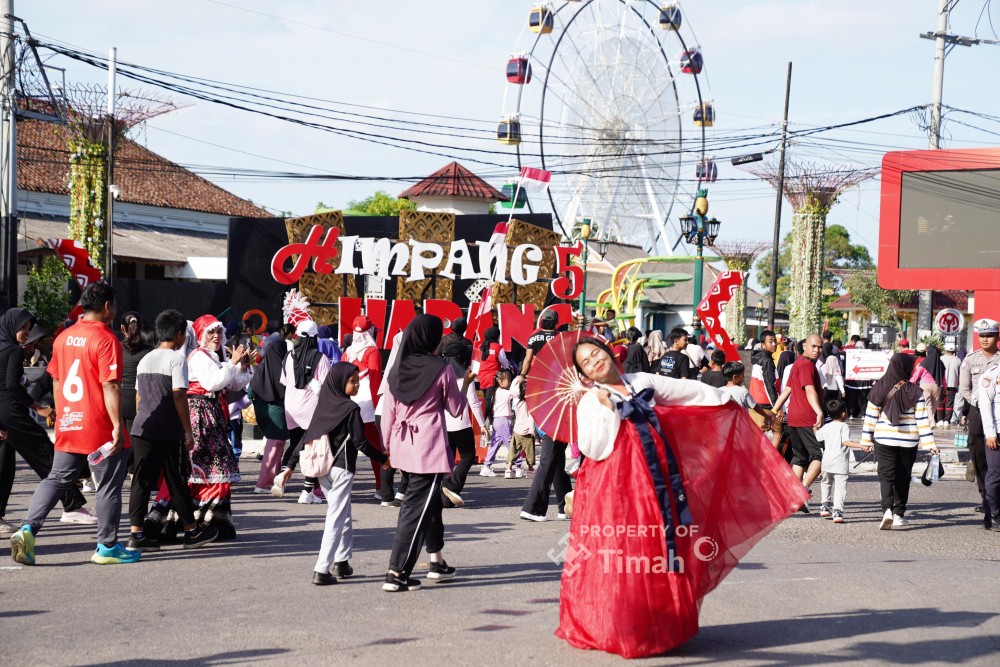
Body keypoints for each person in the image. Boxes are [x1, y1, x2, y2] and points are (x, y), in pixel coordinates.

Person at [557, 337, 808, 658]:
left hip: (658, 479)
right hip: (616, 489)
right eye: (587, 362)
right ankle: (622, 625)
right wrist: (610, 411)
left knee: (662, 546)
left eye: (596, 354)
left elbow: (687, 390)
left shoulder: (640, 381)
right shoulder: (591, 401)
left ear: (608, 353)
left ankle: (658, 623)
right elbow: (592, 447)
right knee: (626, 551)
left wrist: (726, 397)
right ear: (585, 374)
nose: (594, 362)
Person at [10, 283, 140, 565]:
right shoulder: (106, 339)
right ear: (107, 306)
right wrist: (118, 426)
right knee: (107, 486)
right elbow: (111, 386)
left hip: (70, 420)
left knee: (57, 478)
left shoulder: (63, 338)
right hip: (99, 425)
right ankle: (106, 547)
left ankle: (27, 528)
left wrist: (61, 415)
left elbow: (56, 380)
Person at [380, 315, 472, 592]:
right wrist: (465, 383)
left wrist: (385, 448)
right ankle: (397, 572)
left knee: (427, 504)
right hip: (428, 447)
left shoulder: (396, 369)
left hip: (401, 443)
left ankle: (436, 560)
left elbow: (388, 412)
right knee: (415, 509)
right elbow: (455, 409)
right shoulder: (441, 368)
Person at [127, 309, 219, 551]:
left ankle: (136, 535)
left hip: (143, 426)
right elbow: (179, 396)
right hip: (167, 429)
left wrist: (142, 419)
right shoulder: (177, 360)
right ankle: (191, 530)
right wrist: (188, 433)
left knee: (141, 480)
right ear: (179, 335)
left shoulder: (146, 358)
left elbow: (138, 396)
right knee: (176, 479)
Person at [0, 308, 93, 536]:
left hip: (3, 414)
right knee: (44, 452)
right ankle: (72, 505)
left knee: (4, 466)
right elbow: (12, 385)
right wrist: (38, 408)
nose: (26, 332)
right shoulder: (12, 350)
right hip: (12, 412)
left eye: (28, 328)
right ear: (12, 327)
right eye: (23, 328)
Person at [304, 362, 389, 585]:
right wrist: (383, 459)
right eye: (353, 381)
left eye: (357, 380)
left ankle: (342, 560)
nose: (357, 385)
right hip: (342, 469)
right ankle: (322, 569)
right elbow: (361, 442)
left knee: (343, 511)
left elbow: (307, 436)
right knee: (335, 516)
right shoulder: (351, 409)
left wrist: (290, 466)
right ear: (341, 382)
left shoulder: (324, 406)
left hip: (324, 470)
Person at [186, 315, 254, 540]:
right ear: (201, 336)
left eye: (218, 332)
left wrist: (242, 367)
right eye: (211, 333)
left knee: (217, 469)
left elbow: (231, 383)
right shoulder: (198, 357)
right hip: (201, 415)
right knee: (209, 468)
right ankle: (201, 521)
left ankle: (212, 522)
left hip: (214, 414)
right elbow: (213, 382)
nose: (216, 337)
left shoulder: (216, 356)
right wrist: (231, 363)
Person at [861, 353, 938, 530]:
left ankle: (886, 510)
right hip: (908, 440)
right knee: (903, 477)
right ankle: (899, 514)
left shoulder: (879, 387)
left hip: (883, 438)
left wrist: (866, 439)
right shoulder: (915, 391)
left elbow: (870, 417)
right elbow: (922, 420)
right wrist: (930, 445)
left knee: (886, 475)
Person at [272, 320, 330, 503]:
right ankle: (307, 491)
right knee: (311, 448)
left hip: (291, 407)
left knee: (296, 443)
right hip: (311, 409)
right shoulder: (320, 358)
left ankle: (281, 477)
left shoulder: (289, 356)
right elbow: (327, 387)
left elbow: (284, 380)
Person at [773, 334, 825, 511]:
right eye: (813, 346)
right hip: (806, 418)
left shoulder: (798, 363)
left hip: (794, 417)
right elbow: (809, 389)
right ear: (804, 346)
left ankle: (793, 497)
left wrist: (775, 410)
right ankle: (801, 492)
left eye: (820, 347)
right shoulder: (805, 365)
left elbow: (787, 389)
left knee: (799, 457)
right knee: (819, 455)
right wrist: (819, 412)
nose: (817, 350)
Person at [440, 326, 485, 508]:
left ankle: (445, 496)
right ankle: (453, 486)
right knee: (467, 455)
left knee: (448, 459)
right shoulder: (465, 376)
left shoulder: (440, 374)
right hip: (460, 423)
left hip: (443, 423)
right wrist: (482, 425)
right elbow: (473, 403)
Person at [959, 318, 999, 524]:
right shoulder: (970, 359)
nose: (985, 340)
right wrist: (977, 400)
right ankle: (987, 500)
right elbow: (964, 388)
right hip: (976, 412)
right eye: (981, 336)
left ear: (997, 337)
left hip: (998, 412)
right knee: (979, 458)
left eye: (989, 335)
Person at [341, 315, 385, 493]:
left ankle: (344, 487)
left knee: (348, 447)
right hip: (367, 408)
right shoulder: (372, 352)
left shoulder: (346, 353)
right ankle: (381, 486)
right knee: (375, 447)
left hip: (347, 407)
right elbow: (375, 381)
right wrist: (378, 409)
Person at [816, 399, 870, 523]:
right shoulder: (844, 426)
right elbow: (845, 441)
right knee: (840, 487)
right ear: (843, 413)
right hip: (839, 461)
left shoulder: (827, 426)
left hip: (826, 461)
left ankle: (824, 506)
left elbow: (818, 437)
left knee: (826, 483)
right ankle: (837, 511)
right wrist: (861, 445)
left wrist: (815, 428)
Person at [251, 329, 291, 494]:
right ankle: (264, 483)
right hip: (278, 413)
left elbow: (250, 391)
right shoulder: (283, 370)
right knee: (276, 446)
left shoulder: (261, 368)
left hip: (262, 412)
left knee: (273, 446)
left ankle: (272, 479)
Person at [481, 368, 514, 477]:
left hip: (497, 420)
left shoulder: (496, 392)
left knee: (495, 444)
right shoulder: (505, 392)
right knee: (511, 444)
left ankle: (486, 465)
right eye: (508, 380)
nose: (509, 382)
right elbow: (516, 394)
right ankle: (518, 465)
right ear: (501, 381)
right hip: (504, 420)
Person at [721, 361, 774, 428]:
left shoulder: (719, 390)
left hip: (724, 426)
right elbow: (755, 406)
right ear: (735, 377)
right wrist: (766, 416)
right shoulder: (742, 391)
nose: (743, 377)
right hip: (740, 427)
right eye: (742, 374)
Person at [476, 325, 507, 426]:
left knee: (487, 401)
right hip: (492, 379)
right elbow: (505, 364)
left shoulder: (480, 347)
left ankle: (488, 424)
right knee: (489, 403)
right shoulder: (498, 347)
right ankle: (483, 425)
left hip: (481, 378)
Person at [507, 373, 535, 478]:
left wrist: (517, 379)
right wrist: (533, 431)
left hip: (517, 430)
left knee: (513, 450)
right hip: (527, 431)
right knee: (529, 452)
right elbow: (531, 419)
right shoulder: (532, 403)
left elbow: (512, 390)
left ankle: (509, 469)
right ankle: (530, 470)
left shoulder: (517, 401)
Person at [914, 343, 944, 429]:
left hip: (925, 385)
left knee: (928, 404)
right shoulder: (940, 363)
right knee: (934, 405)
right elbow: (943, 376)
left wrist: (911, 383)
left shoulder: (924, 362)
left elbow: (917, 374)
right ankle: (930, 421)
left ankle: (930, 422)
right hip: (937, 385)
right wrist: (944, 386)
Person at [941, 342, 962, 424]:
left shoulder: (940, 358)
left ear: (945, 350)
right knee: (949, 403)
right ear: (954, 351)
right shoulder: (958, 360)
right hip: (953, 384)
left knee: (940, 402)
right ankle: (947, 420)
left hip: (942, 384)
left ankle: (939, 420)